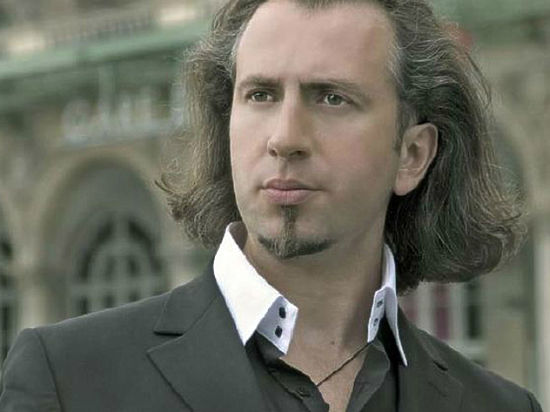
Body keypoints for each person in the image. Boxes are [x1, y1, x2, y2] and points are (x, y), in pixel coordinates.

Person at [0, 0, 543, 411]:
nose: (285, 138)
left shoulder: (499, 407)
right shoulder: (67, 379)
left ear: (412, 154)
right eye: (260, 95)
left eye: (331, 98)